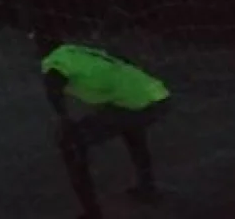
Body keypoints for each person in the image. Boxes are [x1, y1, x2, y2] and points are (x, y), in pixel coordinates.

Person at [37, 35, 170, 219]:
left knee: (70, 144)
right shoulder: (80, 51)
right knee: (129, 126)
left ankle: (92, 213)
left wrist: (64, 120)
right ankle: (147, 187)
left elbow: (53, 88)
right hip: (155, 94)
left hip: (137, 103)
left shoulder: (56, 61)